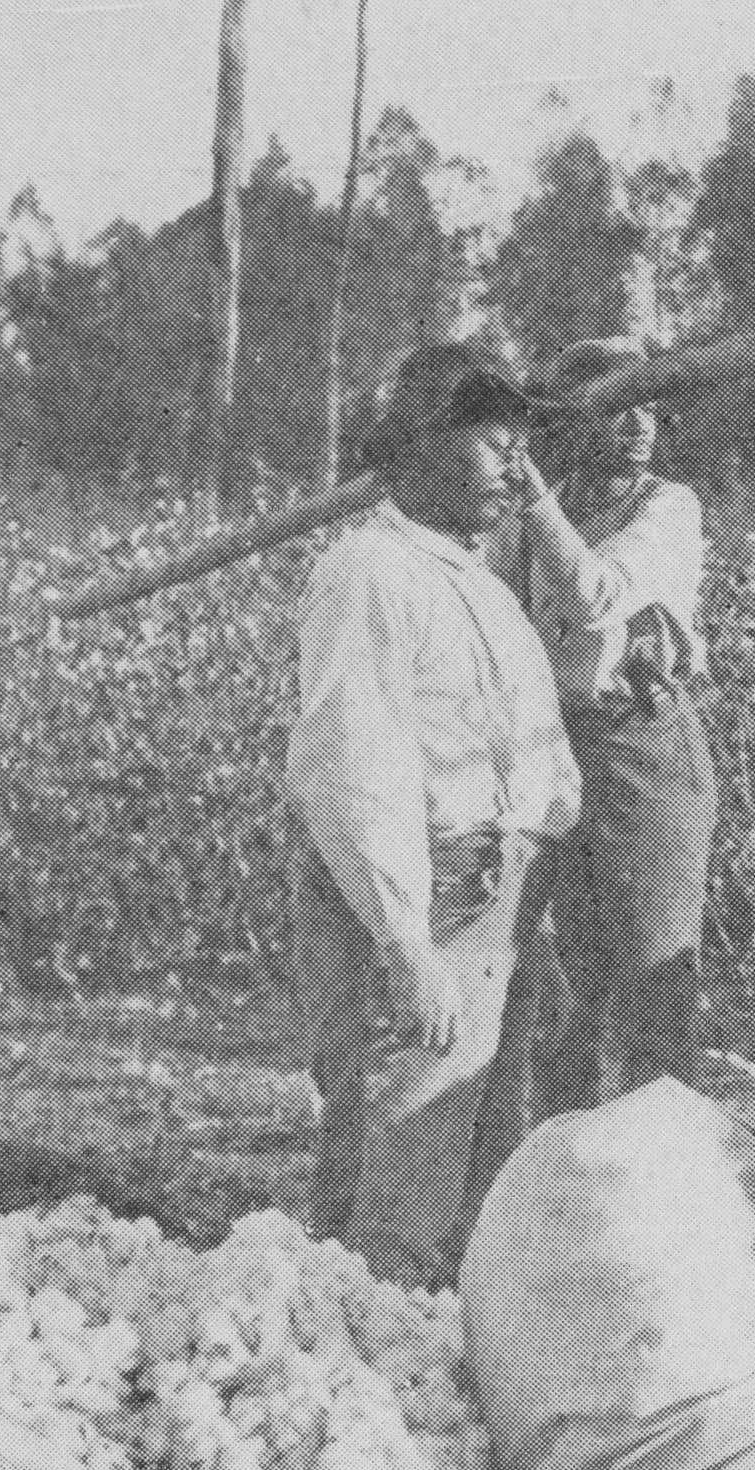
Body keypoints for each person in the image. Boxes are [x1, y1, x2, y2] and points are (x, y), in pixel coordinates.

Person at [283, 349, 583, 1289]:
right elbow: (353, 761)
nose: (517, 471)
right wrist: (405, 941)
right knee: (399, 1163)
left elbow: (534, 761)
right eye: (495, 444)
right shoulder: (369, 570)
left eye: (523, 447)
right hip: (425, 889)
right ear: (420, 448)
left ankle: (429, 1370)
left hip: (498, 891)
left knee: (478, 1166)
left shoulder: (478, 585)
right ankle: (362, 1368)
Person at [484, 336, 717, 1110]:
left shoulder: (667, 507)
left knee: (653, 980)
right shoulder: (532, 522)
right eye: (617, 408)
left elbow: (595, 593)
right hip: (561, 750)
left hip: (644, 745)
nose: (638, 425)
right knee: (574, 988)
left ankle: (663, 1195)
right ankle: (572, 1190)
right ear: (572, 424)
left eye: (649, 407)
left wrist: (534, 497)